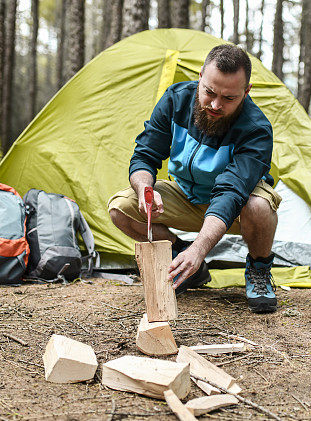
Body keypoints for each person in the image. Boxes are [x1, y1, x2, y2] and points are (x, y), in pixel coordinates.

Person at [108, 44, 281, 313]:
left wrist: (201, 248)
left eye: (229, 98)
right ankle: (182, 255)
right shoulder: (175, 99)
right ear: (200, 76)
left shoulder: (256, 129)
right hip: (187, 194)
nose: (215, 104)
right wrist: (144, 188)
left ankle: (258, 269)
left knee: (259, 207)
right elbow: (146, 154)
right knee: (121, 207)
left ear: (246, 92)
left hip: (236, 207)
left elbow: (231, 191)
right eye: (209, 92)